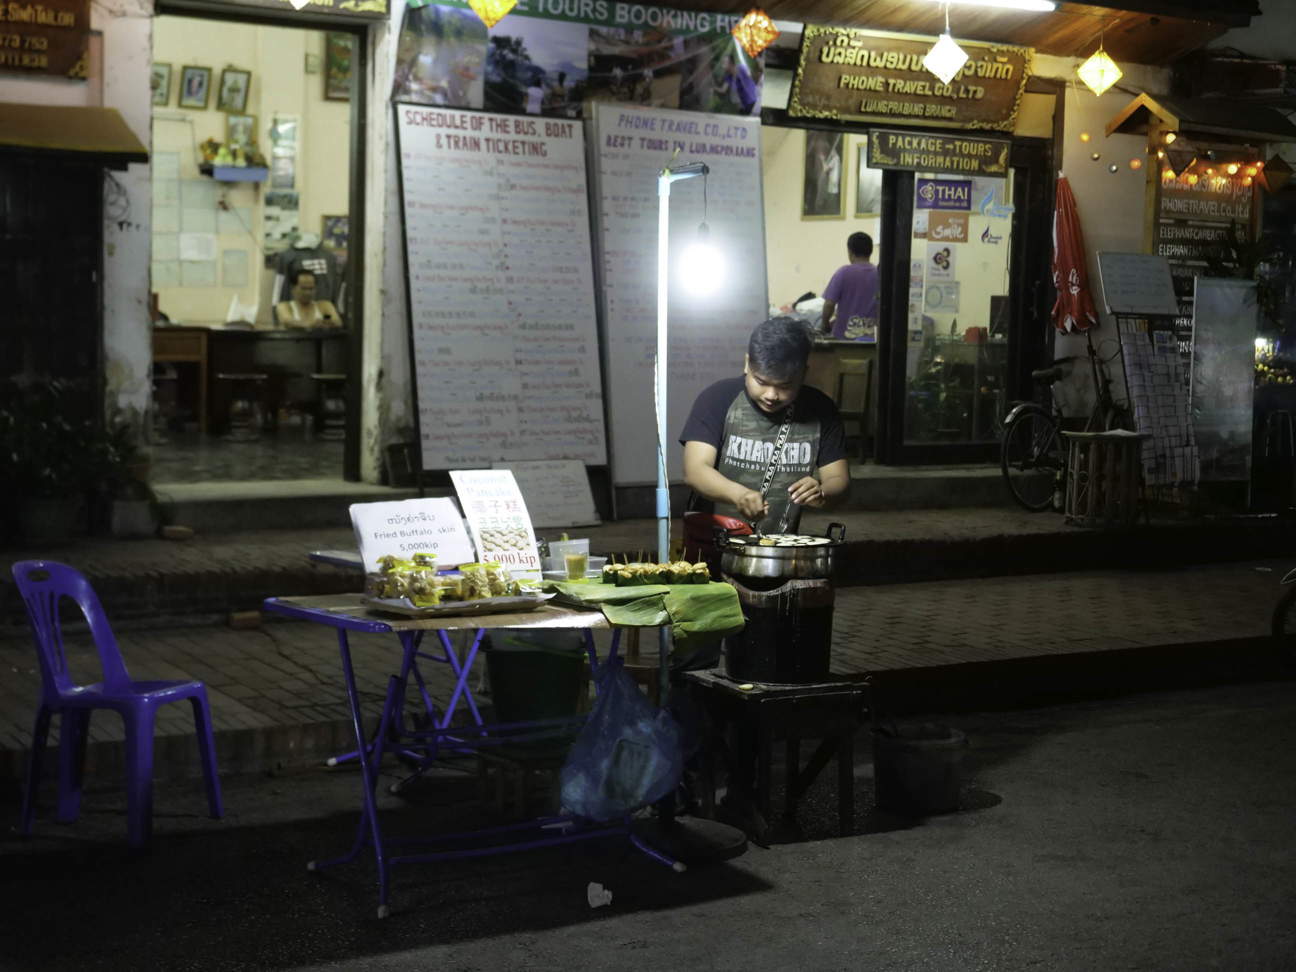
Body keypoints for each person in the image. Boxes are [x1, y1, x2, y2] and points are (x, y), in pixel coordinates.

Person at [680, 316, 850, 544]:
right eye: (761, 382)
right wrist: (738, 495)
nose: (771, 395)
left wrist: (823, 490)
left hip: (779, 546)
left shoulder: (822, 409)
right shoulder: (717, 399)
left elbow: (839, 479)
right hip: (711, 542)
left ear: (804, 373)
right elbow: (695, 470)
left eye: (785, 386)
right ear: (747, 364)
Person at [820, 231, 880, 341]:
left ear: (850, 251)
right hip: (871, 340)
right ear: (870, 252)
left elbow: (829, 304)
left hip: (844, 341)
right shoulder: (879, 274)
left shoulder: (843, 272)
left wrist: (825, 324)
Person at [274, 270, 342, 329]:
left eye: (311, 289)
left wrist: (326, 320)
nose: (308, 293)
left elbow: (337, 322)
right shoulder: (285, 306)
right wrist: (311, 324)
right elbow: (287, 321)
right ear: (293, 289)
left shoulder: (323, 305)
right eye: (304, 288)